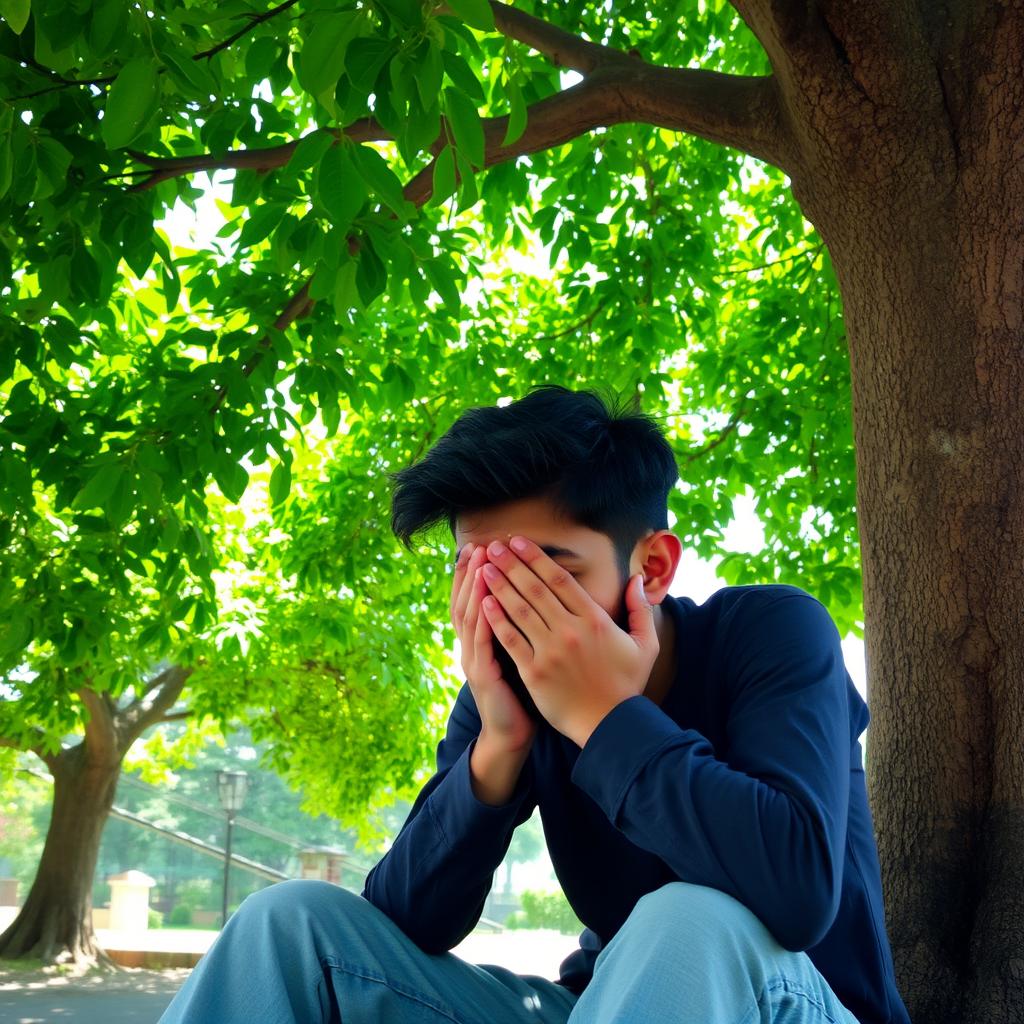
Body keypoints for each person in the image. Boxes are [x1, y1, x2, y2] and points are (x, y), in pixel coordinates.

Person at [159, 384, 911, 1024]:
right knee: (287, 924)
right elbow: (404, 921)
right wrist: (498, 748)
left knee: (689, 915)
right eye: (478, 579)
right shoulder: (501, 698)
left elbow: (800, 893)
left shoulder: (770, 631)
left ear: (651, 567)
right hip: (595, 1004)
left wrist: (605, 719)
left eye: (542, 578)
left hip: (794, 1003)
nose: (511, 613)